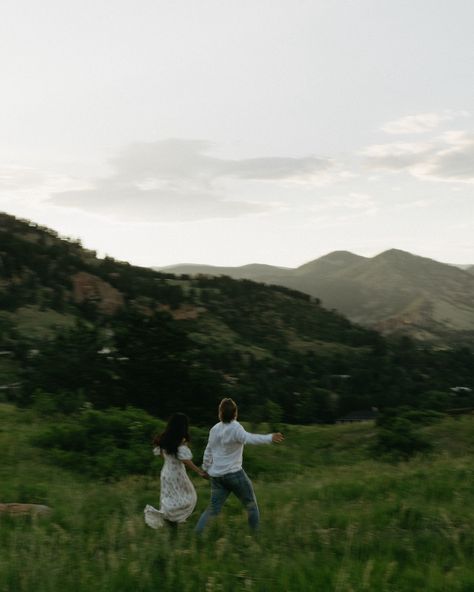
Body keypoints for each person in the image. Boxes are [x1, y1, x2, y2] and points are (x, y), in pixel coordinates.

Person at [195, 398, 284, 534]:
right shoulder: (236, 428)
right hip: (234, 475)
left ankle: (197, 535)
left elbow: (208, 450)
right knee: (251, 506)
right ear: (235, 413)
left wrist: (205, 469)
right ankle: (255, 537)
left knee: (212, 509)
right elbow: (249, 438)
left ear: (220, 412)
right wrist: (269, 437)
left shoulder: (214, 429)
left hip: (217, 477)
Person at [144, 412, 208, 530]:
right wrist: (199, 471)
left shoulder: (164, 439)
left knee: (170, 498)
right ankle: (169, 517)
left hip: (165, 473)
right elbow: (185, 460)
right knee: (189, 497)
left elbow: (160, 453)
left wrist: (170, 460)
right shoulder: (179, 443)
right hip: (177, 474)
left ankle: (171, 523)